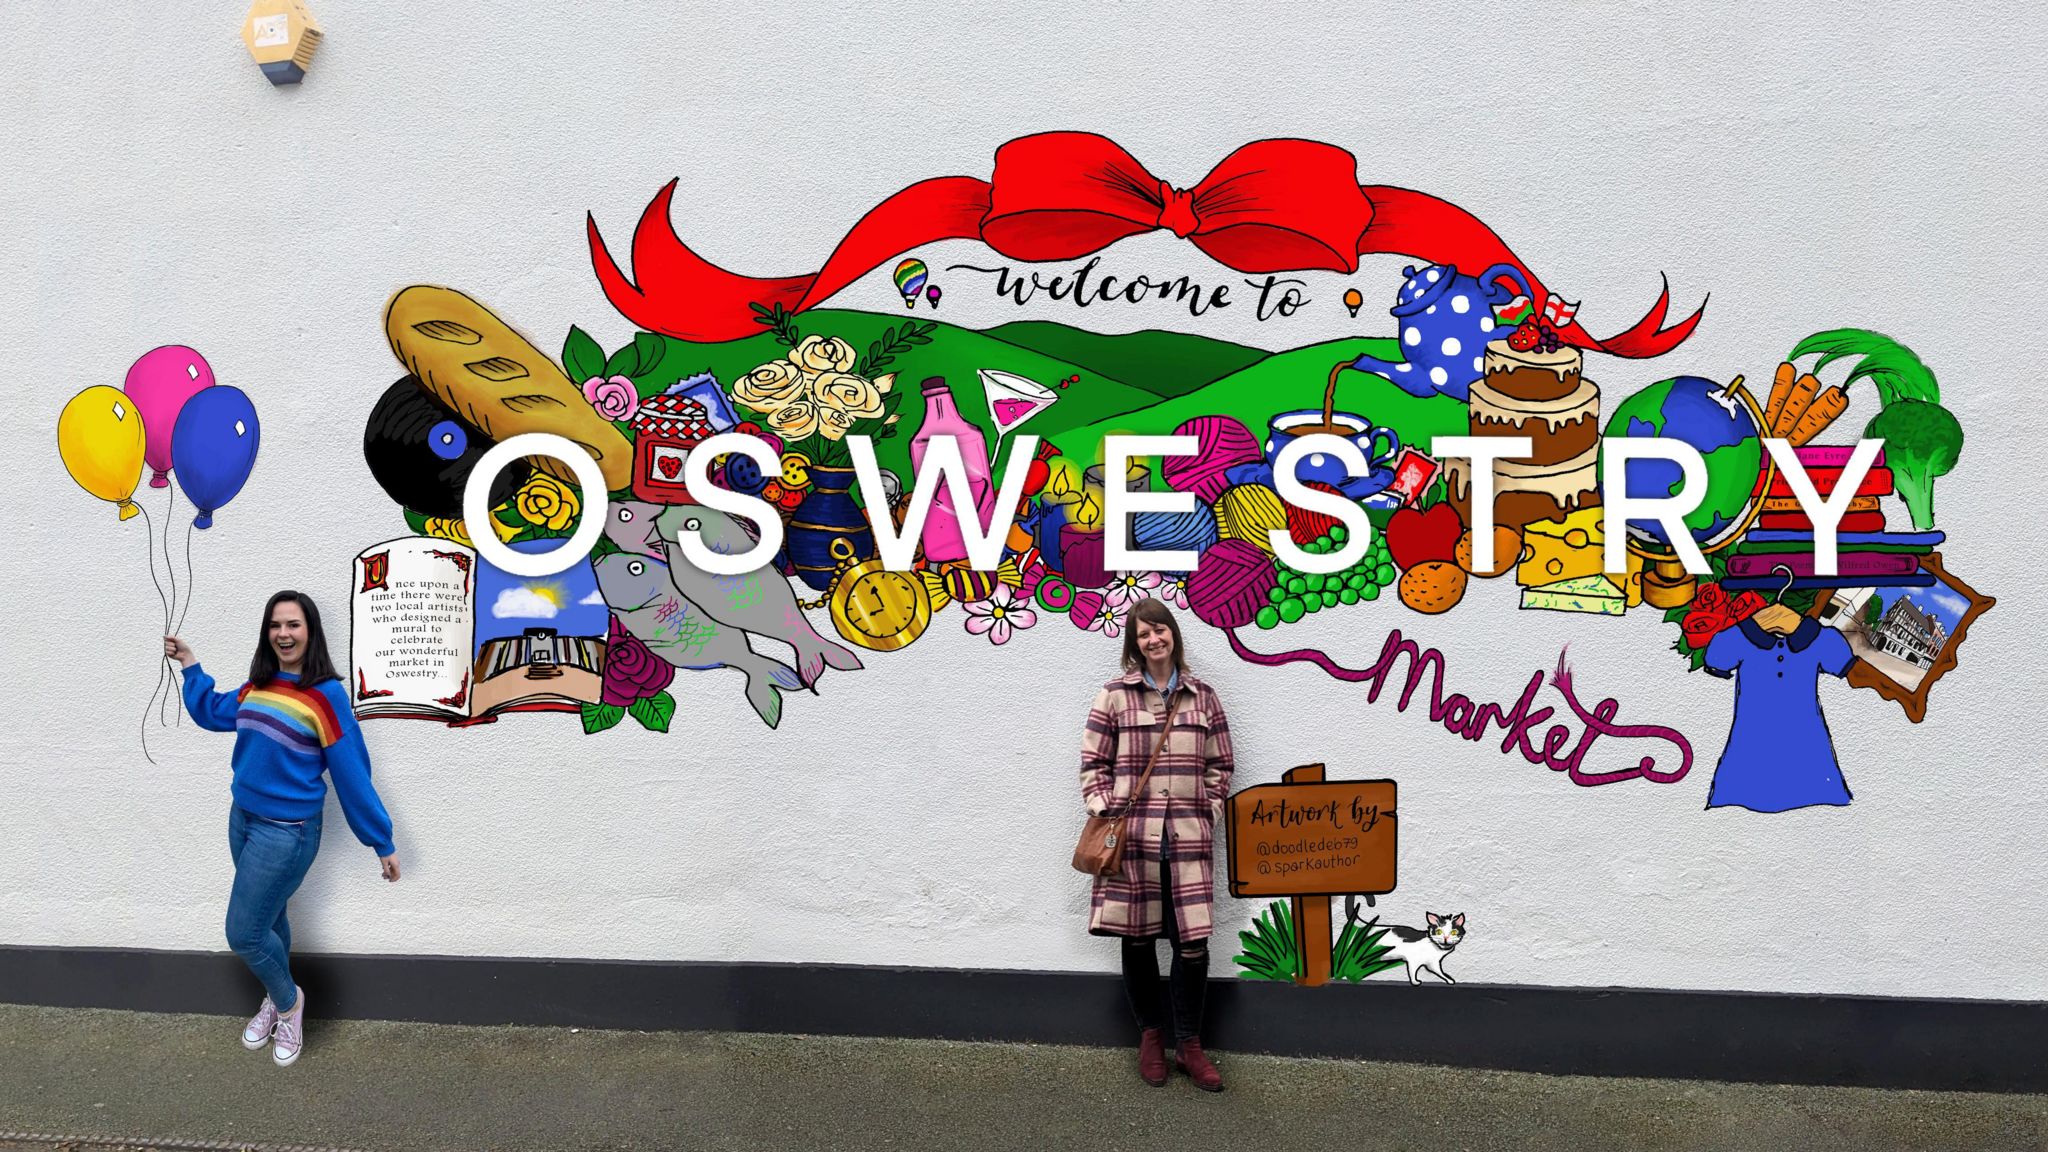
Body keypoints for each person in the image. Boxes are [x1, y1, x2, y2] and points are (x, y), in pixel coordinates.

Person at [165, 590, 399, 1067]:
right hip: (243, 820)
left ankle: (289, 1003)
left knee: (244, 932)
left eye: (293, 624)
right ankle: (275, 997)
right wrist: (191, 666)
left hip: (286, 832)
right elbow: (212, 711)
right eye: (275, 625)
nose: (283, 634)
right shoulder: (260, 685)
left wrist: (381, 840)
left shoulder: (326, 695)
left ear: (310, 631)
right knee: (269, 919)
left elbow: (353, 773)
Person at [1079, 597, 1234, 1092]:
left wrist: (1207, 808)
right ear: (1134, 643)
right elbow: (1093, 762)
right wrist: (1105, 807)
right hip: (1134, 842)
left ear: (1173, 635)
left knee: (1193, 944)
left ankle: (1189, 1045)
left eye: (1160, 630)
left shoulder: (1203, 696)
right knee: (1138, 938)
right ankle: (1151, 1039)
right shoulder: (1113, 696)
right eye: (1143, 634)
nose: (1154, 639)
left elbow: (1221, 764)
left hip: (1187, 841)